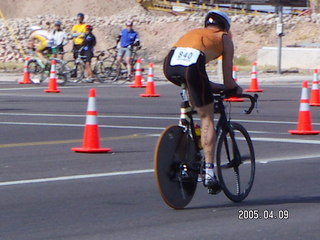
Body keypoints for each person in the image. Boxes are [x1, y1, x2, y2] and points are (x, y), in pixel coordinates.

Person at [163, 10, 242, 194]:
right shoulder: (224, 38)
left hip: (169, 66)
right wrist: (233, 88)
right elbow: (229, 81)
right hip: (192, 68)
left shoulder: (195, 32)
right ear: (225, 27)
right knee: (207, 118)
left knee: (195, 94)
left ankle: (185, 127)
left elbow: (201, 79)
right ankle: (209, 172)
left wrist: (213, 86)